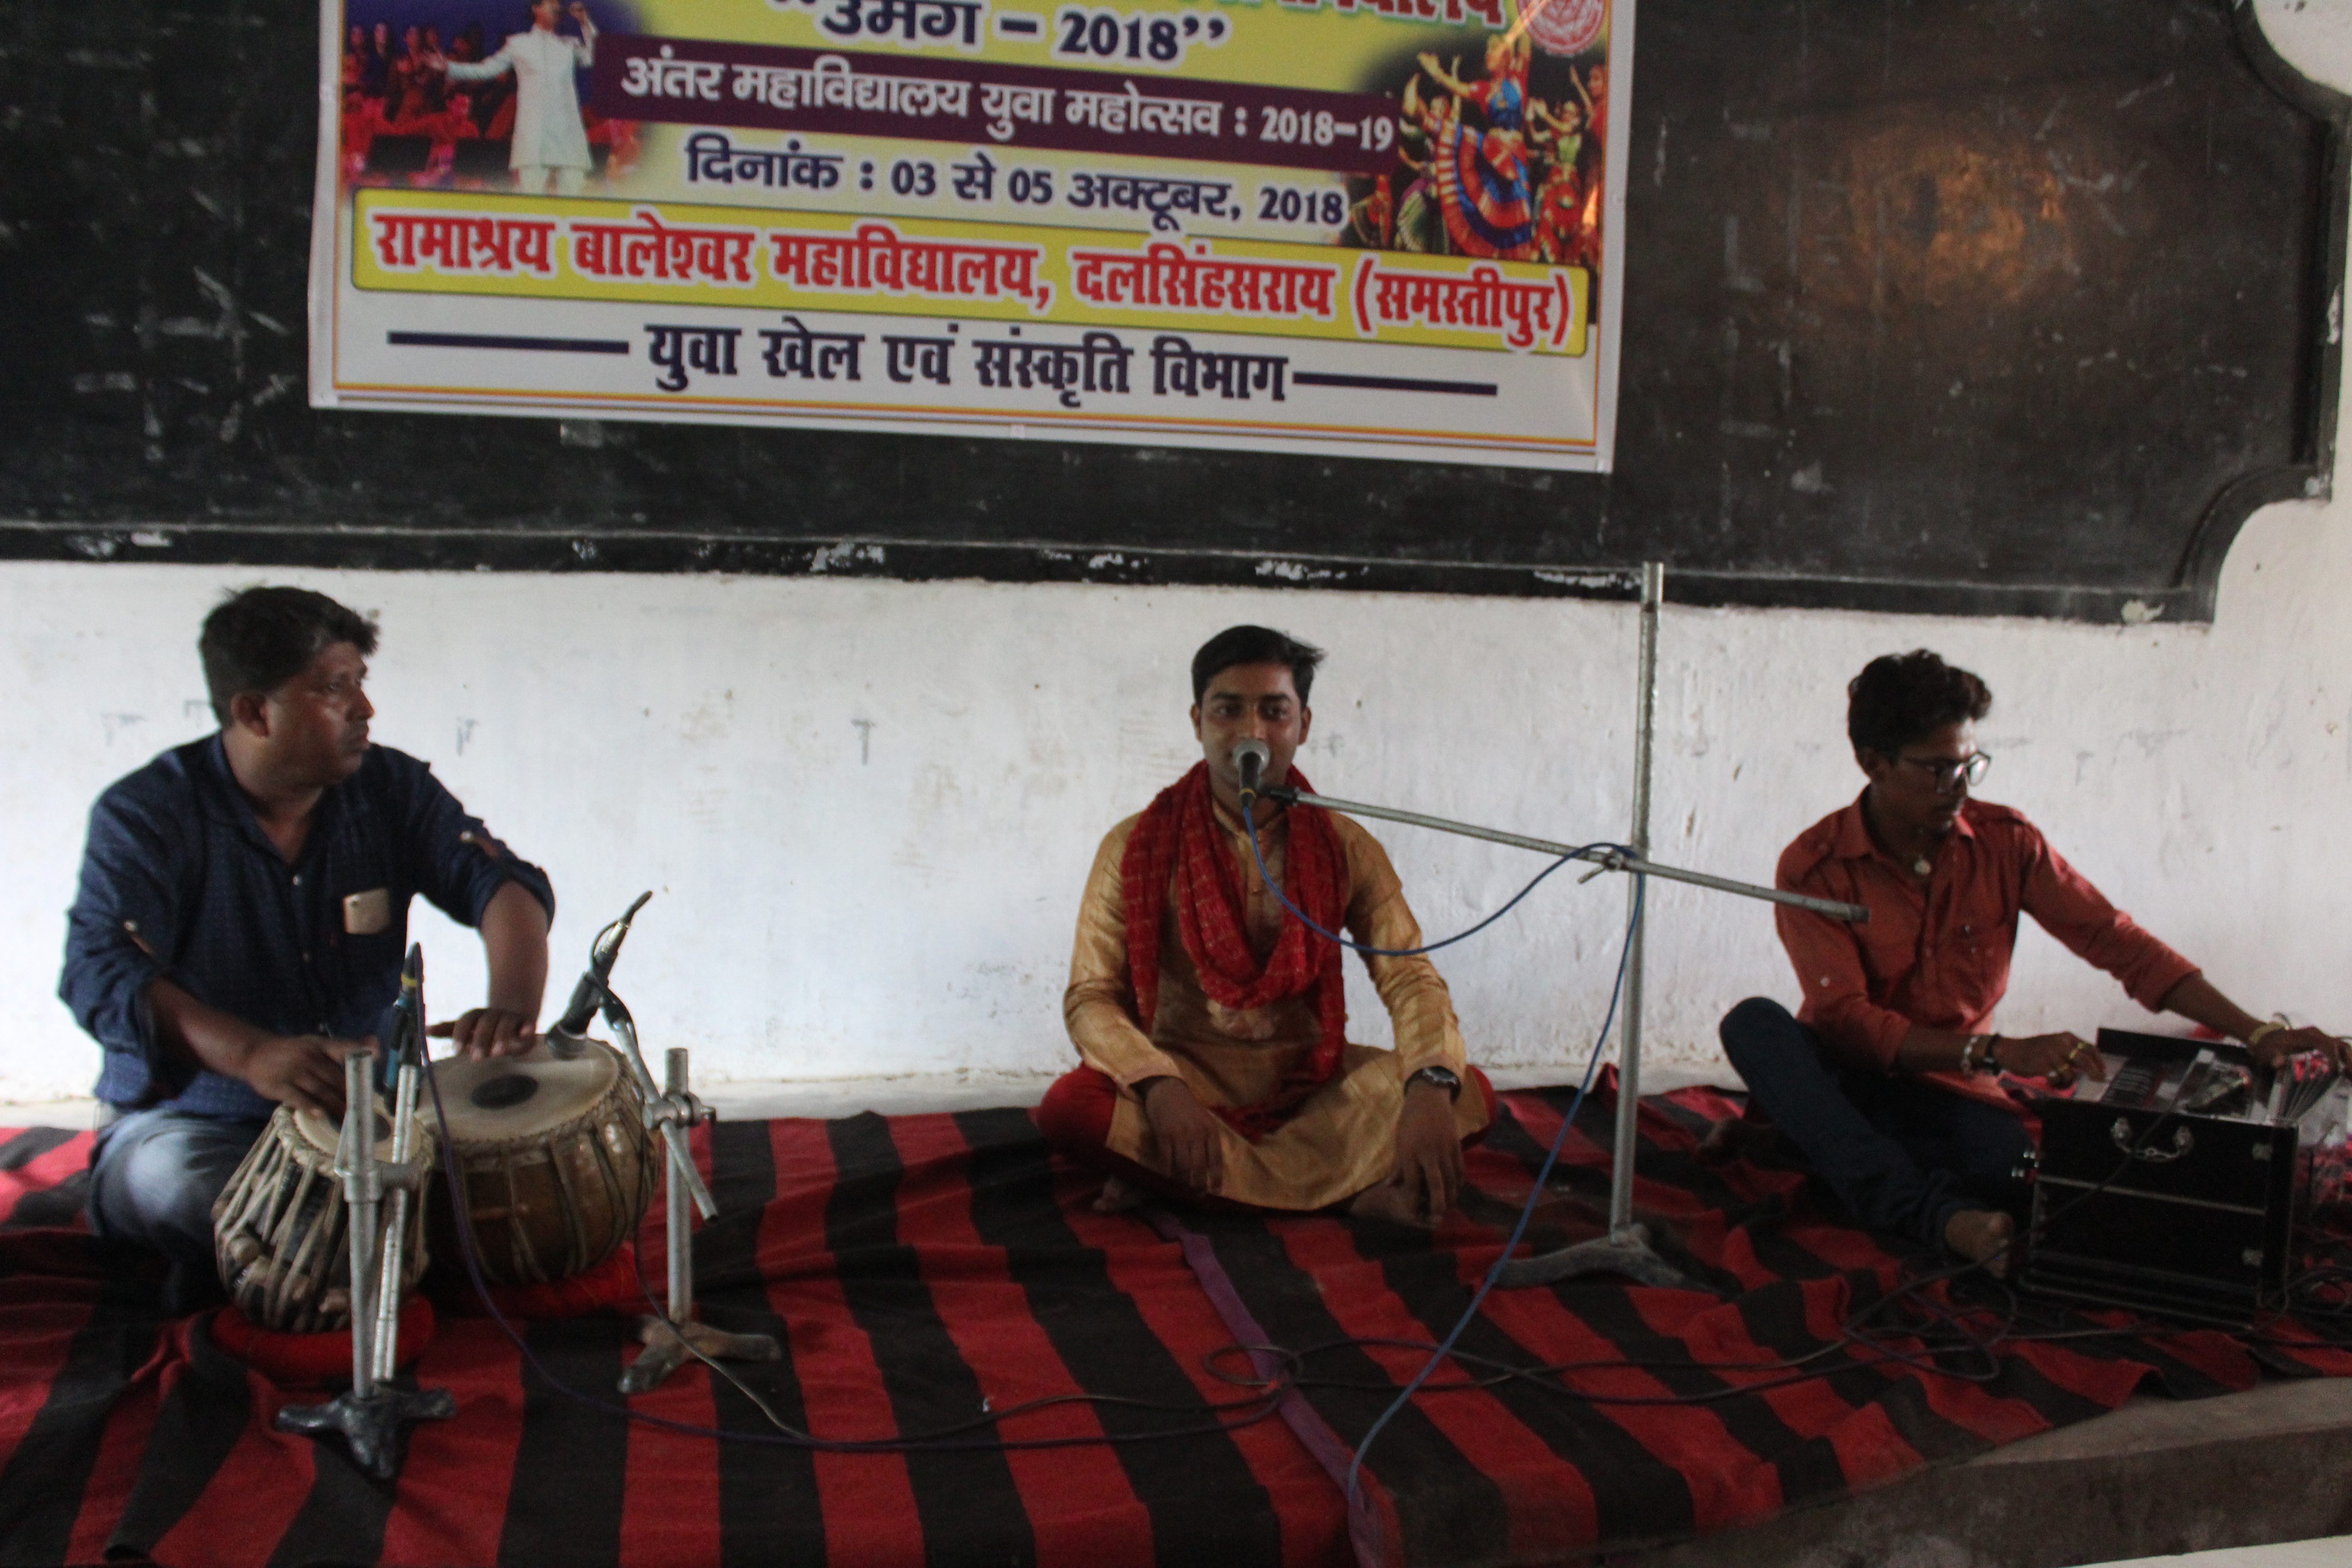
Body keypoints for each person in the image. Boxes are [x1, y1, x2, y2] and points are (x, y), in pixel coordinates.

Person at [1719, 650, 2347, 1273]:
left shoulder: (2006, 843)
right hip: (1849, 1070)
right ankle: (1933, 1216)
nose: (1959, 788)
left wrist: (2255, 1031)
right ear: (1872, 763)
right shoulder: (1814, 865)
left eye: (1970, 766)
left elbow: (2117, 941)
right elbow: (1846, 1021)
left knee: (2013, 1178)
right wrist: (1997, 1053)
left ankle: (1814, 1145)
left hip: (1949, 1094)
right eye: (1938, 770)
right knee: (1754, 1025)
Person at [60, 587, 554, 1309]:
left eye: (360, 684)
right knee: (180, 1186)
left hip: (378, 1122)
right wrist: (254, 1057)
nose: (364, 710)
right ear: (255, 712)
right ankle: (285, 1249)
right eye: (333, 688)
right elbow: (102, 972)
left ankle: (277, 1263)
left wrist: (509, 1010)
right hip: (198, 1124)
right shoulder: (148, 814)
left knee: (515, 1185)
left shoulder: (391, 789)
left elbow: (500, 884)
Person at [1036, 627, 1494, 1226]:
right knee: (1072, 1108)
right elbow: (1091, 996)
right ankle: (1352, 1195)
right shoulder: (1134, 845)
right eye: (1229, 710)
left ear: (1303, 725)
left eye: (1273, 712)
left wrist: (1430, 1088)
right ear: (1198, 720)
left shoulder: (1345, 846)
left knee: (1469, 1093)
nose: (1251, 731)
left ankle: (1185, 1184)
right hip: (1185, 1079)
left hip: (1309, 1085)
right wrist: (1158, 1087)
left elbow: (1409, 978)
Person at [440, 0, 598, 196]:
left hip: (568, 135)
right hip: (534, 137)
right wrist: (450, 68)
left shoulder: (568, 45)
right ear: (536, 8)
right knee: (531, 198)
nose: (556, 9)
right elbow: (487, 70)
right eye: (551, 4)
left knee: (573, 197)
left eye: (558, 6)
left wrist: (585, 23)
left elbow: (594, 55)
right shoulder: (519, 44)